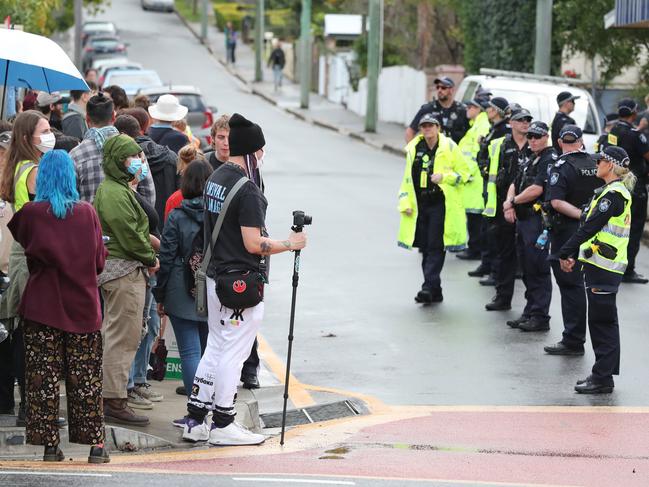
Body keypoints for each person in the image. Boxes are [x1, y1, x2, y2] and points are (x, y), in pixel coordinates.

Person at [182, 113, 307, 446]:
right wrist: (288, 244)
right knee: (233, 353)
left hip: (214, 278)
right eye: (261, 151)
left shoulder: (216, 177)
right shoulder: (248, 190)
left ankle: (195, 419)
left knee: (215, 347)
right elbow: (254, 244)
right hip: (238, 283)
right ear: (252, 151)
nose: (263, 157)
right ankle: (223, 422)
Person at [8, 150, 109, 463]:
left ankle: (50, 446)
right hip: (83, 307)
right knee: (86, 379)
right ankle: (96, 447)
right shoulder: (87, 213)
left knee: (43, 379)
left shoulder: (30, 214)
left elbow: (23, 244)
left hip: (42, 307)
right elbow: (99, 264)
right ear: (71, 177)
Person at [93, 134, 159, 426]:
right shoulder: (114, 193)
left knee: (121, 334)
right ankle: (114, 400)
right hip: (123, 272)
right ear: (119, 161)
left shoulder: (117, 188)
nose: (139, 162)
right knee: (123, 336)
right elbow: (130, 235)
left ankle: (113, 397)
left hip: (122, 269)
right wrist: (150, 257)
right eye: (133, 157)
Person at [558, 146, 635, 394]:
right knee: (602, 321)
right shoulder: (608, 192)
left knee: (603, 323)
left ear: (610, 165)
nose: (596, 163)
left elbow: (589, 228)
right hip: (598, 265)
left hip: (605, 268)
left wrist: (565, 251)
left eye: (600, 160)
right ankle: (602, 375)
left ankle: (602, 378)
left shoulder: (614, 195)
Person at [0, 110, 55, 425]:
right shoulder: (33, 170)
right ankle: (28, 407)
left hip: (24, 251)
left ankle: (26, 405)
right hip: (31, 253)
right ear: (26, 138)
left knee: (23, 332)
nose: (50, 135)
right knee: (28, 335)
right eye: (44, 131)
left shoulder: (18, 166)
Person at [154, 161, 212, 423]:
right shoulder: (218, 216)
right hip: (210, 287)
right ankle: (212, 406)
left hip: (180, 287)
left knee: (190, 352)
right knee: (208, 351)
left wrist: (161, 295)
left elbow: (166, 257)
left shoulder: (176, 215)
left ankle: (195, 412)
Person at [543, 125, 602, 356]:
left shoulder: (561, 166)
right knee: (591, 285)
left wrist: (582, 216)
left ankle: (573, 340)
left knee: (570, 285)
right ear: (581, 141)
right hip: (596, 231)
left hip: (569, 231)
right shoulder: (596, 162)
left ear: (559, 142)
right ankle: (579, 338)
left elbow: (556, 202)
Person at [398, 113, 469, 303]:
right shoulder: (414, 148)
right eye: (424, 126)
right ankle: (434, 290)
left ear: (438, 127)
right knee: (424, 247)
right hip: (420, 204)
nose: (427, 129)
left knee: (435, 246)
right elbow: (407, 179)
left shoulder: (450, 147)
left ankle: (428, 287)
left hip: (440, 203)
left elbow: (465, 173)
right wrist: (405, 203)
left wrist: (444, 177)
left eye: (431, 125)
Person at [503, 121, 556, 331]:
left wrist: (513, 202)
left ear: (546, 137)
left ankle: (540, 316)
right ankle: (530, 310)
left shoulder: (549, 158)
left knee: (538, 268)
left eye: (537, 136)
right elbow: (515, 183)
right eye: (530, 136)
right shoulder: (530, 156)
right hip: (523, 220)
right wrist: (509, 204)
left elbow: (537, 189)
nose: (533, 140)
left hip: (537, 221)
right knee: (526, 268)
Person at [483, 108, 532, 311]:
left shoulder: (535, 144)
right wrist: (496, 208)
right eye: (521, 120)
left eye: (528, 120)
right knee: (505, 254)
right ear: (511, 123)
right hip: (504, 208)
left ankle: (533, 307)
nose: (525, 123)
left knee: (529, 258)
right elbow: (490, 177)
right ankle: (503, 297)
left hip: (528, 208)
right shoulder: (498, 145)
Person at [598, 99, 649, 284]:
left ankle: (614, 265)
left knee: (617, 227)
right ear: (634, 113)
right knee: (634, 227)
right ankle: (628, 270)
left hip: (618, 184)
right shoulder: (635, 134)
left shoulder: (614, 131)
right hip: (635, 186)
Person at [70, 93, 155, 205]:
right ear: (114, 117)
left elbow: (70, 200)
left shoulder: (75, 155)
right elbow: (148, 194)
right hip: (128, 220)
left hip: (89, 221)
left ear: (87, 118)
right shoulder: (132, 148)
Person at [468, 96, 510, 280]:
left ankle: (495, 270)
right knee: (488, 228)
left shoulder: (502, 131)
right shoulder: (494, 129)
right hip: (489, 186)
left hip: (496, 188)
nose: (488, 110)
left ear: (497, 111)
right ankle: (487, 264)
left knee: (494, 231)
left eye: (491, 108)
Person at [114, 113, 177, 226]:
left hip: (139, 225)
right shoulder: (171, 156)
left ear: (120, 134)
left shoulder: (122, 161)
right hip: (168, 224)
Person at [456, 99, 490, 261]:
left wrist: (467, 173)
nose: (467, 109)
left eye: (470, 107)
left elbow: (478, 153)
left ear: (478, 109)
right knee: (473, 216)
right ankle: (475, 248)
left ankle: (475, 249)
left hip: (474, 179)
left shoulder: (481, 126)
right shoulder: (476, 124)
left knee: (475, 217)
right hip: (471, 179)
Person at [405, 77, 469, 144]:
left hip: (454, 152)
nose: (439, 90)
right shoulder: (427, 109)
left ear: (451, 90)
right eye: (438, 87)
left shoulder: (462, 110)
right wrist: (412, 152)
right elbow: (410, 132)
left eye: (443, 88)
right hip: (432, 153)